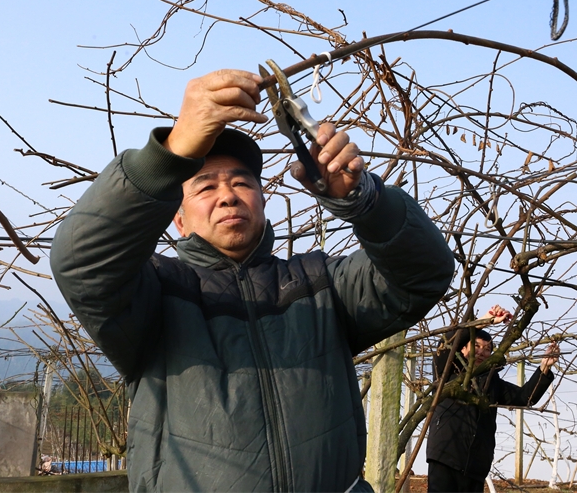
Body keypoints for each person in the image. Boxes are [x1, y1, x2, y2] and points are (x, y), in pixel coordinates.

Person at [50, 69, 454, 492]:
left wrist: (365, 200)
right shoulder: (154, 291)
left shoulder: (320, 285)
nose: (227, 194)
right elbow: (81, 262)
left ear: (263, 201)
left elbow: (424, 274)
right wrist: (170, 154)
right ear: (179, 219)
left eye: (242, 182)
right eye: (205, 186)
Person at [426, 306, 558, 493]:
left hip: (476, 465)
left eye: (487, 349)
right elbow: (446, 345)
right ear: (463, 349)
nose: (481, 352)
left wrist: (544, 367)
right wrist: (483, 321)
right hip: (445, 457)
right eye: (477, 346)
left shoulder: (491, 382)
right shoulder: (447, 371)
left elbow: (525, 397)